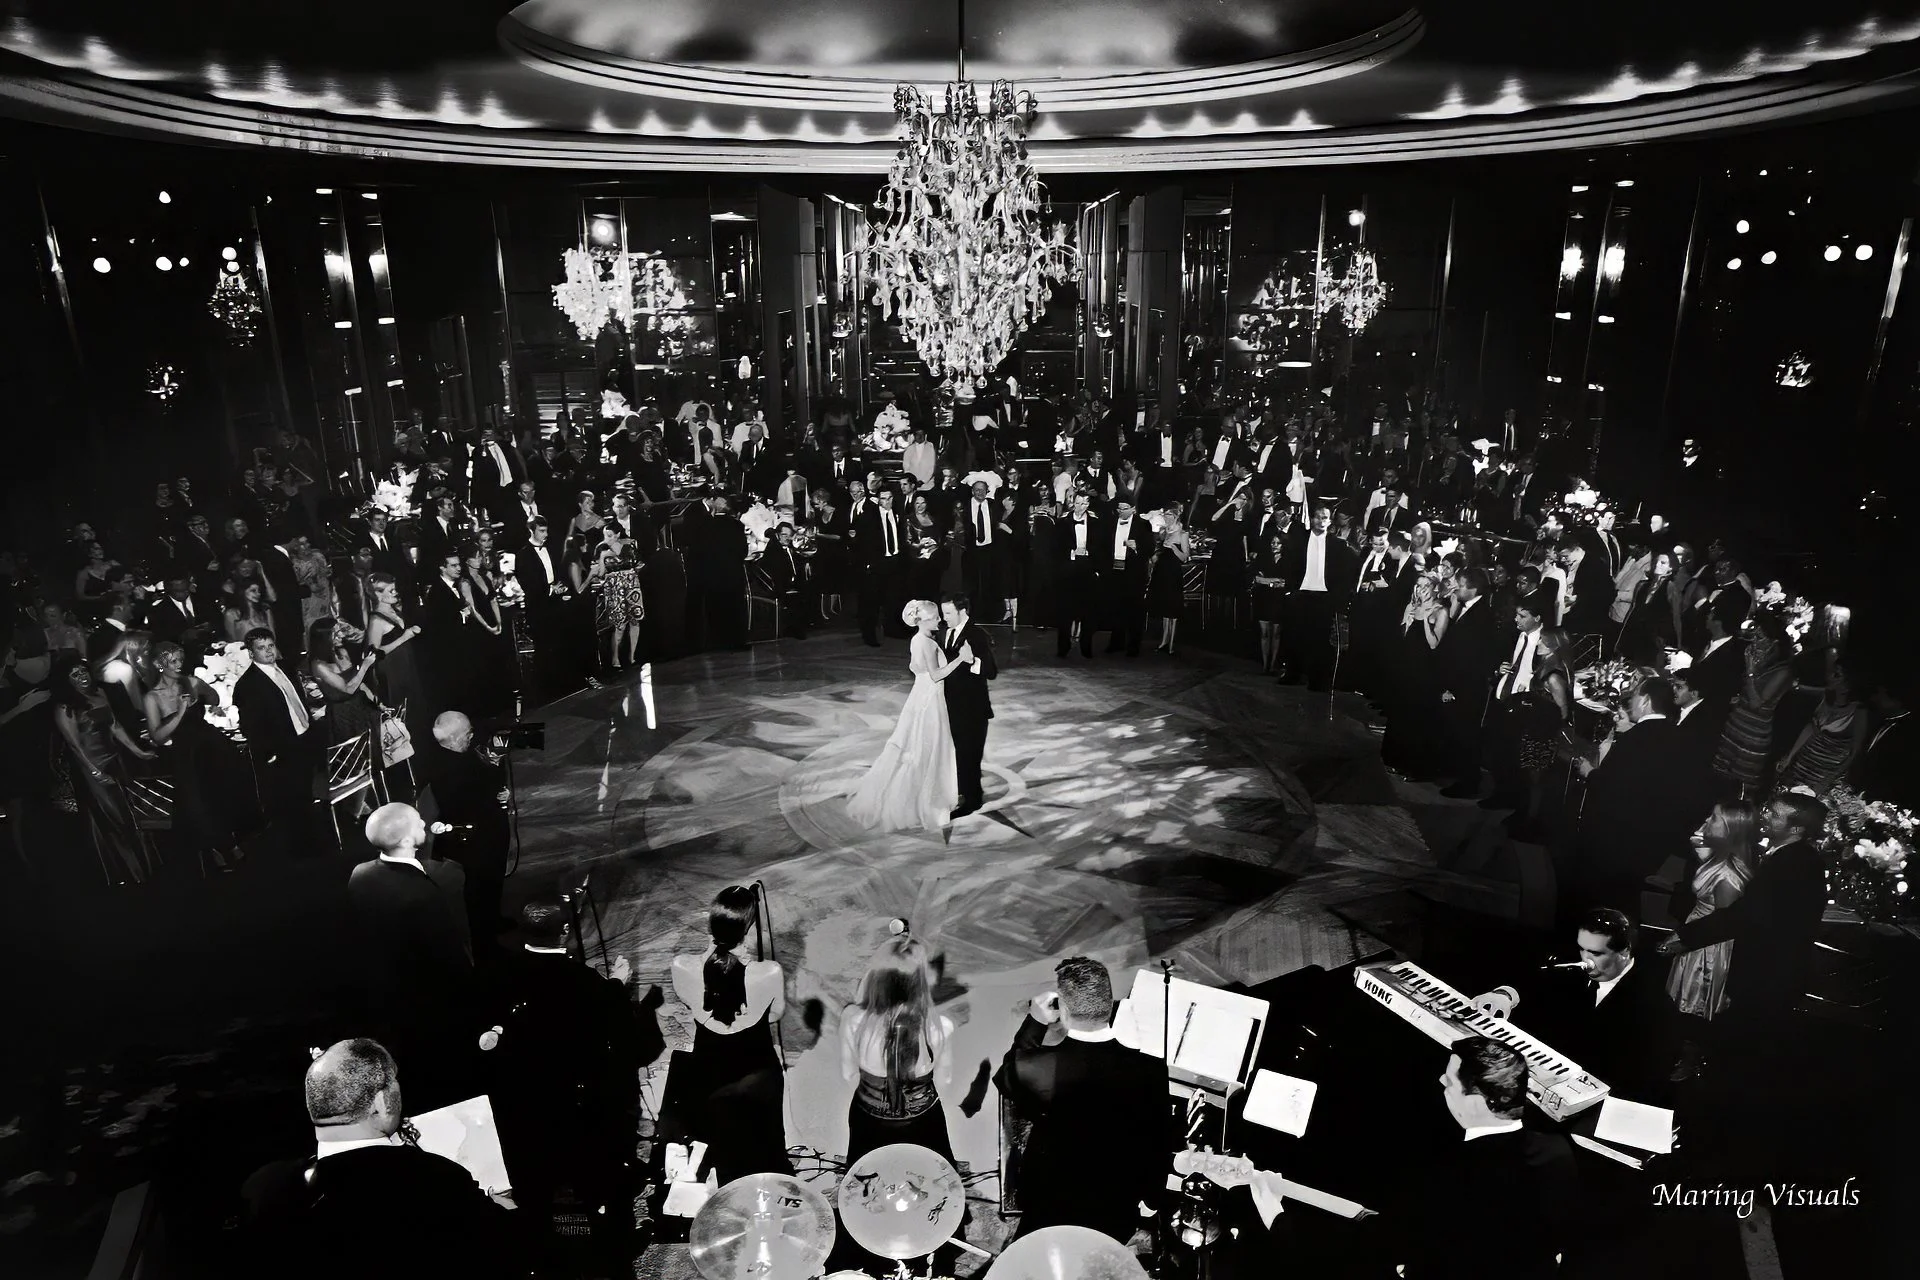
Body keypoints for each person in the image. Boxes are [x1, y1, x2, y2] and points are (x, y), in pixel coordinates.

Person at [240, 1038, 521, 1280]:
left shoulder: (262, 1186)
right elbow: (506, 1249)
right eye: (394, 1085)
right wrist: (499, 1205)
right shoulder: (434, 1180)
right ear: (380, 1103)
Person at [481, 901, 661, 1268]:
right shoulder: (588, 984)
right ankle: (613, 1252)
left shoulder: (497, 975)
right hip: (578, 1109)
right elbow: (636, 1048)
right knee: (597, 1185)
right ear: (564, 933)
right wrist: (618, 985)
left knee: (535, 1193)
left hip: (522, 1110)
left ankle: (543, 1255)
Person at [1657, 792, 1827, 1103]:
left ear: (1796, 829)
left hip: (1770, 973)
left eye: (1774, 814)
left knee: (1747, 1044)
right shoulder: (1793, 857)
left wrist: (1687, 937)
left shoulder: (1792, 864)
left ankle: (1726, 1101)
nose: (1765, 816)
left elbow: (1745, 916)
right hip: (1771, 968)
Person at [994, 956, 1171, 1242]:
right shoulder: (1150, 1069)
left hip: (1050, 1203)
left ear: (1062, 1009)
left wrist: (1035, 1023)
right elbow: (1159, 1140)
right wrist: (1152, 1199)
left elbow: (1006, 1078)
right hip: (1116, 1208)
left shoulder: (1036, 1067)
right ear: (1108, 1003)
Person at [1387, 1038, 1579, 1280]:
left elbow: (1433, 1255)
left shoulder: (1450, 1175)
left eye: (1448, 1082)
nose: (1440, 1082)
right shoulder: (1557, 1148)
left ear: (1476, 1102)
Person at [1473, 907, 1679, 1104]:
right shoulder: (1573, 970)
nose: (1585, 961)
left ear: (1624, 953)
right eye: (1582, 949)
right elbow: (1533, 980)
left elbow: (1646, 1082)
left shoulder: (1655, 1008)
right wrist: (1505, 995)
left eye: (1596, 953)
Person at [346, 804, 478, 1105]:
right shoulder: (427, 891)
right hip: (427, 993)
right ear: (406, 841)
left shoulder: (359, 874)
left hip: (383, 987)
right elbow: (449, 950)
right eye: (419, 824)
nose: (425, 825)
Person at [667, 886, 792, 1184]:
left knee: (722, 1144)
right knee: (766, 1143)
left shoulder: (681, 966)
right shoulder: (770, 972)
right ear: (747, 932)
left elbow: (691, 1001)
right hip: (758, 1070)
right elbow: (775, 1015)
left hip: (710, 1070)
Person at [1569, 677, 1701, 924]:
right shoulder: (1683, 737)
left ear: (1646, 701)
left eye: (1637, 696)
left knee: (1607, 900)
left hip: (1620, 836)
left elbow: (1611, 788)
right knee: (1630, 896)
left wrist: (1590, 773)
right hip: (1656, 837)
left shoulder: (1634, 739)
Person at [839, 933, 956, 1169]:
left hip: (869, 1120)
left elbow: (848, 1074)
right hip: (923, 1121)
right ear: (919, 982)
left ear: (877, 978)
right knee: (934, 1182)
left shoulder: (852, 1018)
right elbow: (944, 1079)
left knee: (866, 1184)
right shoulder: (941, 1026)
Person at [847, 601, 965, 833]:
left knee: (916, 744)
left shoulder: (916, 640)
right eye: (933, 618)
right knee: (930, 746)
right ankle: (926, 798)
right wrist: (961, 659)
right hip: (930, 700)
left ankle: (920, 793)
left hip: (918, 697)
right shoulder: (928, 644)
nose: (938, 621)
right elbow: (936, 675)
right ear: (922, 620)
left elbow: (914, 667)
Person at [1665, 802, 1758, 1079]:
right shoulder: (1720, 854)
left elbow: (1724, 925)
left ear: (1731, 828)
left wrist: (1684, 939)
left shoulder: (1728, 874)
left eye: (1714, 817)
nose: (1707, 819)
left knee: (1698, 1003)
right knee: (1689, 1002)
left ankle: (1691, 1060)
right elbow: (1695, 839)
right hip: (1698, 931)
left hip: (1709, 946)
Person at [144, 640, 254, 870]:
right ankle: (218, 846)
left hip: (210, 745)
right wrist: (180, 713)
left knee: (227, 789)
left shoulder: (192, 682)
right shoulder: (152, 697)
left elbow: (214, 698)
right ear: (158, 664)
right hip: (185, 753)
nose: (178, 665)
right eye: (172, 661)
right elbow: (157, 736)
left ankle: (230, 839)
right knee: (199, 801)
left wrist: (203, 697)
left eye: (180, 660)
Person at [51, 655, 155, 885]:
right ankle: (126, 873)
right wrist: (94, 772)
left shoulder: (100, 694)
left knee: (129, 814)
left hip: (114, 761)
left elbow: (114, 726)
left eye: (83, 671)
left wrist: (137, 751)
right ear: (66, 681)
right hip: (91, 767)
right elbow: (73, 745)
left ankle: (143, 869)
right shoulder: (65, 706)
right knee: (112, 819)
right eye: (75, 674)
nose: (82, 676)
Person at [417, 712, 512, 947]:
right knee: (481, 884)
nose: (472, 736)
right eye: (468, 732)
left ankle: (492, 920)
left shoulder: (448, 756)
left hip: (477, 829)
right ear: (455, 737)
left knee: (488, 879)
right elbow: (475, 795)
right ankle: (485, 937)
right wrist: (496, 767)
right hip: (476, 835)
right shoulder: (455, 768)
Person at [233, 628, 322, 859]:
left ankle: (313, 842)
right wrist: (271, 753)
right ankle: (300, 851)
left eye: (270, 646)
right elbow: (251, 726)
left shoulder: (286, 668)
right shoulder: (247, 685)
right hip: (283, 750)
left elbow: (297, 700)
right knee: (291, 801)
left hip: (304, 737)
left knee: (306, 793)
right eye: (261, 648)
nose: (268, 652)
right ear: (251, 653)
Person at [1712, 612, 1793, 793]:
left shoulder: (1783, 670)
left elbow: (1757, 702)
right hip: (1736, 725)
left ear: (1774, 642)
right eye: (1754, 635)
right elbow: (1747, 693)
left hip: (1753, 733)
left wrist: (1749, 670)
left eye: (1759, 636)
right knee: (1718, 775)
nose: (1754, 641)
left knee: (1740, 786)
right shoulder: (1760, 660)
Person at [938, 594, 997, 818]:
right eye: (944, 614)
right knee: (960, 752)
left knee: (970, 753)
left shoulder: (976, 634)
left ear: (962, 612)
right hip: (953, 705)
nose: (945, 618)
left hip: (973, 708)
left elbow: (991, 672)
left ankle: (973, 799)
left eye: (949, 613)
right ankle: (963, 791)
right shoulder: (946, 632)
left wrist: (972, 661)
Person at [1776, 664, 1868, 795]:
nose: (1831, 677)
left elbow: (1854, 753)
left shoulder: (1858, 711)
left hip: (1825, 771)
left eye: (1837, 675)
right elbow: (1810, 729)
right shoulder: (1826, 697)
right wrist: (1790, 757)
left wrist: (1828, 781)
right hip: (1803, 762)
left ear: (1848, 682)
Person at [364, 574, 429, 745]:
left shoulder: (393, 610)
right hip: (393, 671)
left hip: (405, 664)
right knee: (401, 713)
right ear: (378, 595)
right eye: (390, 590)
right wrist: (404, 637)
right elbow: (373, 654)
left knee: (415, 708)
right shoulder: (376, 620)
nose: (395, 592)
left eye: (394, 588)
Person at [1146, 508, 1189, 655]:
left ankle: (1171, 643)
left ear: (1176, 517)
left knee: (1172, 607)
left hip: (1173, 574)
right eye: (1166, 516)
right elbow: (1159, 549)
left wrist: (1174, 549)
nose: (1167, 518)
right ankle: (1164, 640)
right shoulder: (1164, 532)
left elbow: (1185, 557)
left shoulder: (1182, 534)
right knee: (1164, 606)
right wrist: (1157, 555)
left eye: (1170, 516)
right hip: (1162, 572)